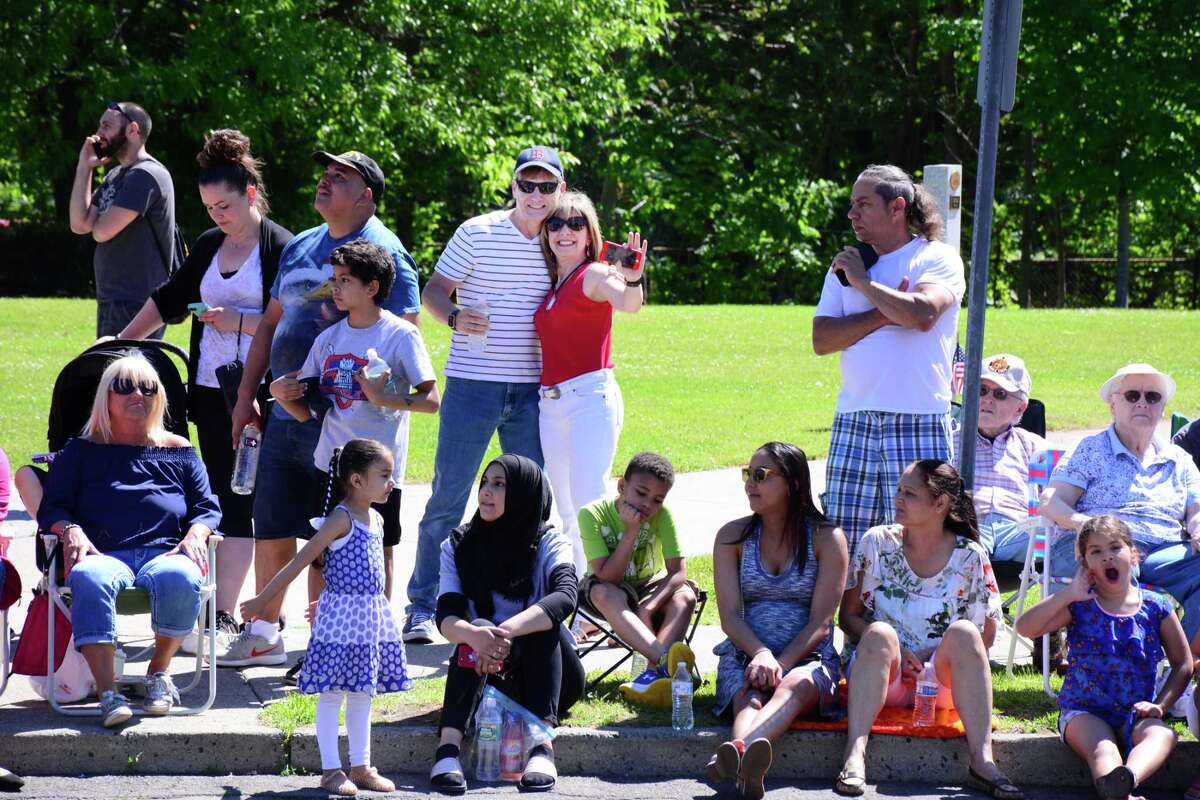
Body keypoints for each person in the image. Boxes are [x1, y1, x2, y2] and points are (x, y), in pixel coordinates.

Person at [221, 149, 420, 667]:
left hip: (345, 425)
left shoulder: (385, 255)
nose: (325, 181)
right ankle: (264, 633)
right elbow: (270, 324)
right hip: (286, 410)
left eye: (340, 177)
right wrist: (248, 394)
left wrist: (376, 405)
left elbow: (406, 345)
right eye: (325, 173)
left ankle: (348, 641)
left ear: (366, 196)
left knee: (352, 535)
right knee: (273, 519)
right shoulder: (303, 245)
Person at [118, 129, 293, 639]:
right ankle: (217, 607)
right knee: (218, 493)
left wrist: (237, 322)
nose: (217, 215)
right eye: (209, 206)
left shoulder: (281, 246)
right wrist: (120, 343)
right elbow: (170, 297)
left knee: (252, 496)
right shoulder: (210, 245)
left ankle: (239, 612)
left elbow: (295, 320)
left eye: (225, 205)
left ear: (251, 195)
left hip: (259, 390)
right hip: (210, 389)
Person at [403, 147, 565, 644]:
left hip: (536, 388)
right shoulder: (477, 231)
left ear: (560, 189)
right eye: (527, 184)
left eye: (546, 186)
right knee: (449, 498)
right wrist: (452, 317)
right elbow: (432, 291)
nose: (536, 195)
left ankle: (527, 604)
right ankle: (422, 607)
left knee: (531, 504)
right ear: (513, 186)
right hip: (473, 384)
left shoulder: (563, 238)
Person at [36, 354, 221, 727]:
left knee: (181, 577)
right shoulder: (81, 451)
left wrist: (198, 533)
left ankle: (158, 674)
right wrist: (69, 529)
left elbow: (207, 507)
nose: (138, 394)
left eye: (147, 387)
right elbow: (52, 508)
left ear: (160, 397)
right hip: (104, 552)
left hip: (165, 550)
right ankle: (108, 693)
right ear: (106, 397)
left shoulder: (178, 450)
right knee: (89, 577)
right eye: (125, 387)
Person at [836, 460, 1019, 799]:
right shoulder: (877, 542)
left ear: (940, 504)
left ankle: (982, 761)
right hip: (884, 672)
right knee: (879, 633)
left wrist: (926, 657)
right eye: (899, 491)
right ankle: (855, 754)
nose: (898, 499)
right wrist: (899, 651)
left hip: (941, 681)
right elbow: (847, 617)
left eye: (910, 493)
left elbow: (986, 637)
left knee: (965, 632)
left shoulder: (970, 556)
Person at [272, 238, 439, 598]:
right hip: (331, 462)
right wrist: (282, 396)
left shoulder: (400, 335)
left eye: (345, 279)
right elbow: (308, 411)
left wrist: (383, 397)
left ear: (372, 287)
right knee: (320, 551)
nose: (335, 287)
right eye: (334, 278)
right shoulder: (329, 338)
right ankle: (319, 641)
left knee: (380, 548)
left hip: (379, 467)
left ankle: (378, 634)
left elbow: (431, 401)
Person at [811, 164, 965, 556]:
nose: (852, 215)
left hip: (918, 418)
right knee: (844, 540)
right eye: (851, 205)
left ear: (897, 207)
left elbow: (922, 315)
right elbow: (823, 339)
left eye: (863, 204)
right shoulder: (845, 265)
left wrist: (864, 285)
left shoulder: (937, 258)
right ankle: (846, 618)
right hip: (854, 419)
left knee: (922, 538)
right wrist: (884, 312)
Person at [241, 439, 406, 796]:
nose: (391, 482)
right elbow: (300, 563)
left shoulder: (376, 519)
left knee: (363, 693)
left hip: (367, 620)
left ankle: (361, 766)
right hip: (340, 621)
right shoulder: (339, 519)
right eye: (385, 474)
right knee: (332, 694)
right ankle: (331, 769)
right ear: (358, 480)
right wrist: (262, 600)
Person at [430, 454, 583, 794]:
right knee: (475, 627)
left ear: (524, 494)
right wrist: (476, 634)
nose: (487, 491)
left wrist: (507, 632)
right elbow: (446, 615)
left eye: (500, 485)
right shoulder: (457, 545)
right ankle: (448, 750)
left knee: (546, 625)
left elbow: (565, 597)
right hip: (484, 670)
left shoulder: (549, 541)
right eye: (485, 482)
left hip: (550, 675)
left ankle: (542, 748)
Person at [707, 442, 848, 800]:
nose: (749, 484)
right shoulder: (732, 537)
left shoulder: (827, 538)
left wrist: (781, 664)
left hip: (809, 658)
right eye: (747, 474)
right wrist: (760, 655)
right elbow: (729, 617)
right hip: (745, 652)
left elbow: (821, 622)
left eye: (761, 475)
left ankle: (737, 752)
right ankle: (747, 770)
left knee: (793, 686)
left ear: (793, 483)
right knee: (749, 695)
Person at [1015, 516, 1190, 800]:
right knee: (1102, 747)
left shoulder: (1156, 607)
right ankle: (1116, 791)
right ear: (1085, 564)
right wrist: (1069, 594)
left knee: (1163, 735)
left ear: (1132, 555)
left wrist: (1161, 705)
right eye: (1096, 551)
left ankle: (1127, 778)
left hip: (1137, 712)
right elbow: (1025, 627)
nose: (1107, 556)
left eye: (1115, 547)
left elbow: (1182, 663)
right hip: (1084, 711)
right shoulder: (1081, 606)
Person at [1040, 364, 1200, 643]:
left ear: (1162, 408)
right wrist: (1086, 525)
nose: (1142, 403)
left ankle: (1182, 663)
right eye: (1131, 395)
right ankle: (1129, 659)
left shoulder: (1179, 459)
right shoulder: (1090, 449)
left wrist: (1198, 529)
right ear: (1113, 405)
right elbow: (1052, 501)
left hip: (1166, 549)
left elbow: (1196, 509)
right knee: (1120, 562)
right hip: (1103, 543)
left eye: (1152, 397)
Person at [534, 190, 646, 570]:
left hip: (589, 401)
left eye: (575, 224)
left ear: (589, 235)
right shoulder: (554, 283)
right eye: (556, 223)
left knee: (587, 501)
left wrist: (632, 280)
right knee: (565, 508)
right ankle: (574, 592)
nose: (565, 231)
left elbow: (629, 303)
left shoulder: (594, 274)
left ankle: (596, 600)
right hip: (550, 406)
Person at [576, 451, 698, 703]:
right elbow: (607, 576)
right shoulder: (592, 515)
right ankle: (666, 663)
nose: (647, 505)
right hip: (607, 587)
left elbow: (678, 572)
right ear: (622, 486)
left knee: (684, 596)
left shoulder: (662, 516)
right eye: (641, 493)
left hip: (648, 586)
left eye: (657, 499)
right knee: (603, 592)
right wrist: (631, 531)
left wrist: (649, 606)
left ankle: (652, 676)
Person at [68, 101, 177, 338]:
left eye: (107, 126)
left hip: (138, 302)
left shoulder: (146, 175)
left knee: (126, 372)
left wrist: (96, 223)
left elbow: (101, 231)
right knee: (109, 370)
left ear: (132, 130)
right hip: (114, 298)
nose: (98, 135)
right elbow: (79, 224)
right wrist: (85, 167)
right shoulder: (116, 175)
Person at [956, 354, 1048, 565]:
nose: (987, 400)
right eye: (981, 391)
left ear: (1020, 408)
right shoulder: (951, 441)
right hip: (968, 528)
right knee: (960, 550)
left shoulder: (1036, 447)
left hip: (1021, 532)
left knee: (1075, 543)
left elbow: (1053, 498)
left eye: (1000, 394)